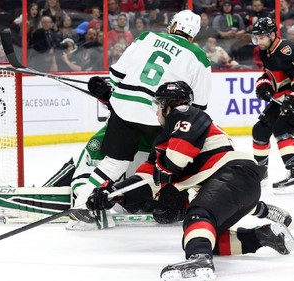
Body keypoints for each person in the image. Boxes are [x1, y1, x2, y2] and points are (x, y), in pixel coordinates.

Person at [85, 81, 294, 280]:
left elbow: (175, 160)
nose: (156, 111)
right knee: (200, 237)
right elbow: (147, 178)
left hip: (233, 174)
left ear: (167, 105)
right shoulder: (165, 139)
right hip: (239, 184)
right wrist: (113, 192)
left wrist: (165, 168)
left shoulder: (186, 114)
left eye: (158, 104)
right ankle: (265, 236)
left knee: (198, 215)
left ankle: (199, 261)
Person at [67, 9, 212, 231]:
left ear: (172, 25)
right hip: (159, 115)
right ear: (193, 34)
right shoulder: (199, 56)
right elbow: (199, 107)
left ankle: (81, 211)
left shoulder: (147, 37)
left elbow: (115, 75)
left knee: (114, 163)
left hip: (123, 107)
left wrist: (111, 92)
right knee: (171, 164)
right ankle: (198, 206)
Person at [251, 17, 294, 193]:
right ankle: (261, 173)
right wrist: (264, 86)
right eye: (256, 37)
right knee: (260, 130)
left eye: (262, 37)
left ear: (273, 35)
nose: (258, 41)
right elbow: (269, 75)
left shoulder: (287, 50)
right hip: (283, 96)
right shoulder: (265, 51)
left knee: (282, 128)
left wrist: (293, 99)